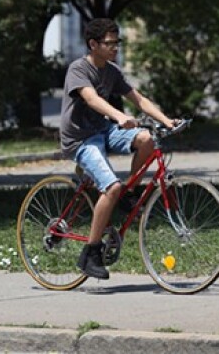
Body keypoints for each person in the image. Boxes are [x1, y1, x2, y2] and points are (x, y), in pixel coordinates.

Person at [59, 18, 177, 279]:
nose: (115, 48)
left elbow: (139, 99)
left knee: (146, 140)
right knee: (110, 187)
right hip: (80, 140)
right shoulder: (78, 69)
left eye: (117, 43)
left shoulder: (111, 71)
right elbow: (91, 99)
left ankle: (129, 193)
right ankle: (90, 252)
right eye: (110, 43)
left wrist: (167, 120)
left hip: (102, 130)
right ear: (93, 44)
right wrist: (119, 116)